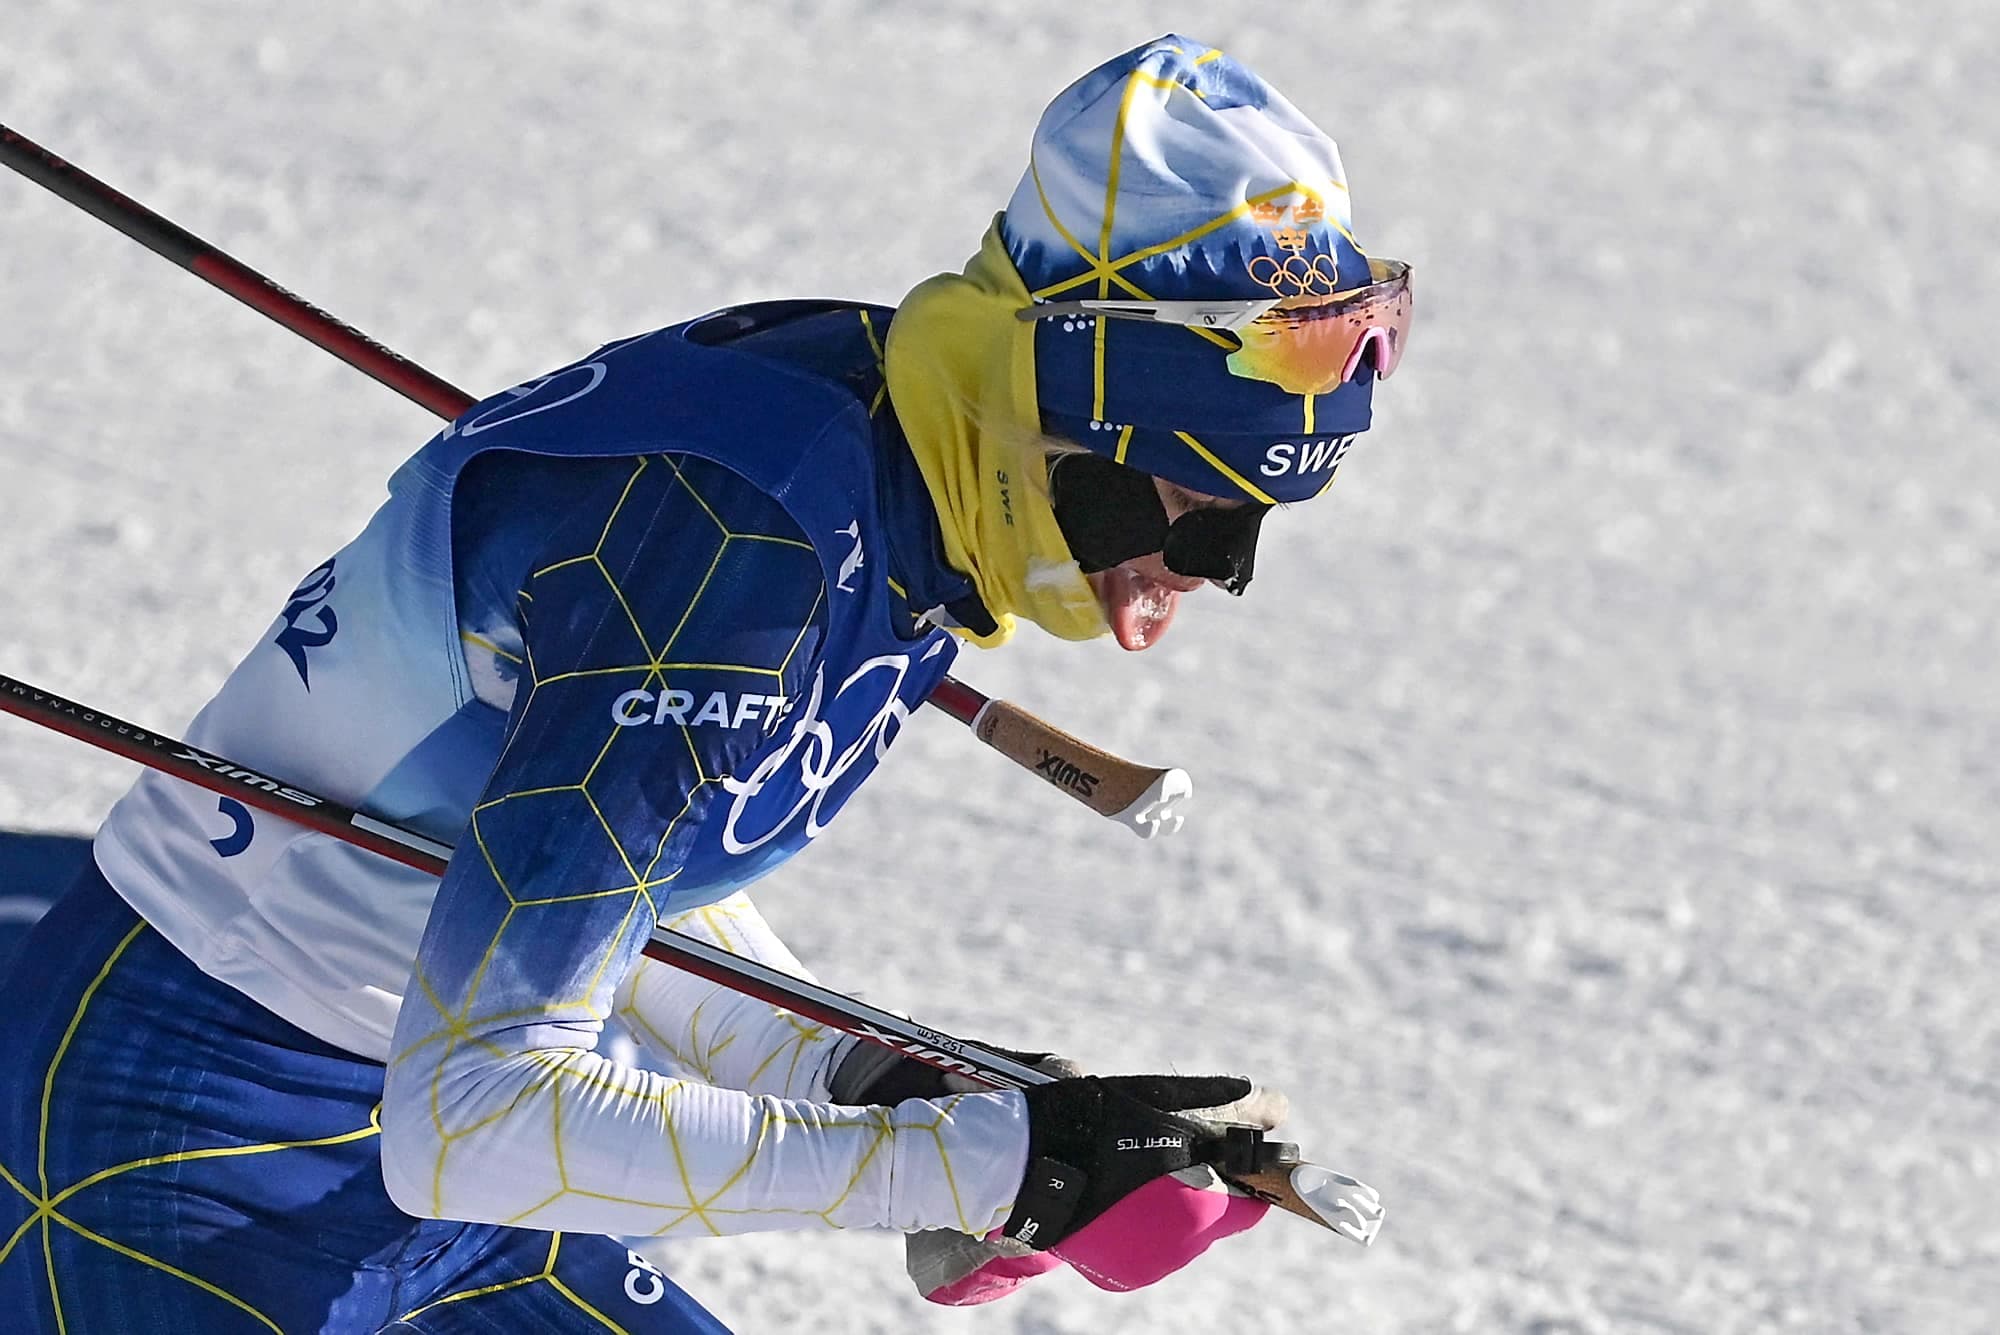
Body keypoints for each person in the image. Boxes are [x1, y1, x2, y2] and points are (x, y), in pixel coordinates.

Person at [0, 33, 1411, 1333]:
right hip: (182, 1154)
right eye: (1190, 507)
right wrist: (972, 1166)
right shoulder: (742, 560)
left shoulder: (909, 461)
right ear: (1055, 407)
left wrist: (874, 1084)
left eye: (1247, 528)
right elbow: (472, 1110)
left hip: (429, 1177)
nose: (1207, 572)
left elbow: (607, 852)